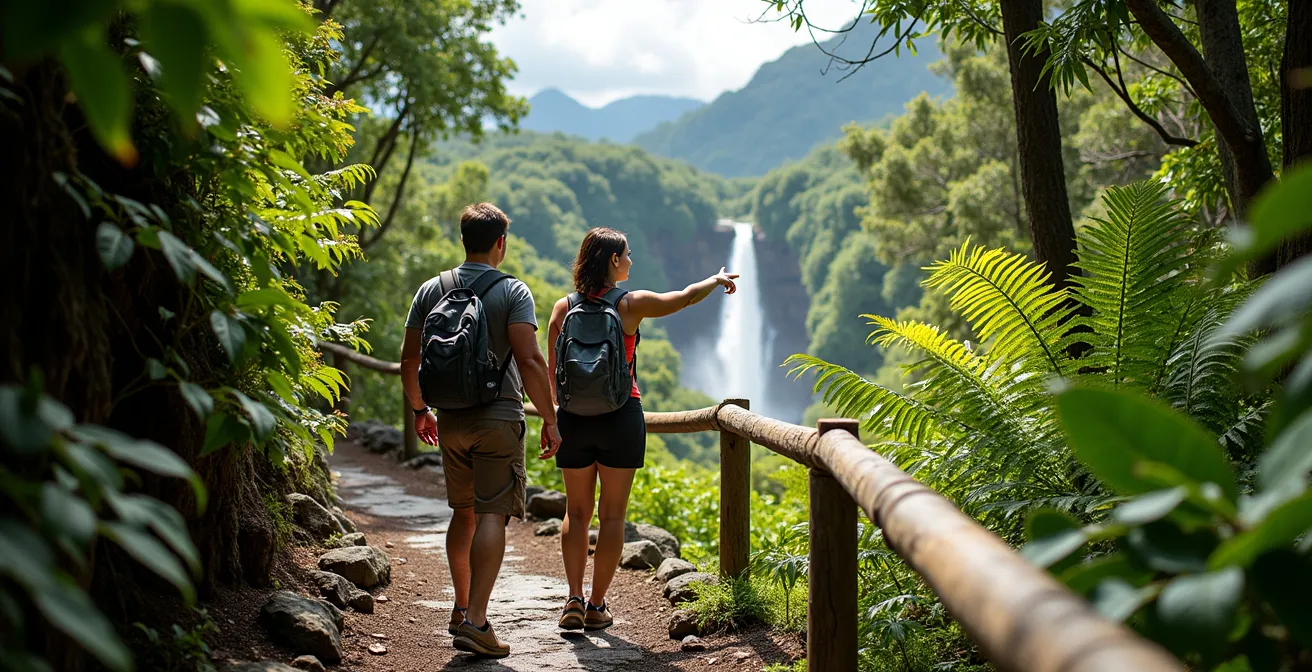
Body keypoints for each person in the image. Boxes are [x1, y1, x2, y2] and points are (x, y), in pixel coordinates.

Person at [547, 227, 737, 631]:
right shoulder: (630, 305)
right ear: (613, 261)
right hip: (621, 416)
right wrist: (715, 280)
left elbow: (553, 373)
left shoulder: (562, 309)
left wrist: (555, 421)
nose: (631, 260)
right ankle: (598, 604)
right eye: (627, 254)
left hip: (574, 420)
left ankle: (574, 600)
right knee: (612, 516)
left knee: (576, 513)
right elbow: (684, 297)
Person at [400, 203, 562, 659]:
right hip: (498, 417)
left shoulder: (431, 288)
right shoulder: (513, 291)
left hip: (449, 419)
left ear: (462, 239)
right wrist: (550, 419)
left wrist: (419, 410)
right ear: (500, 244)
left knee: (464, 512)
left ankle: (460, 607)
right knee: (493, 515)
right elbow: (530, 360)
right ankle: (477, 622)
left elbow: (409, 360)